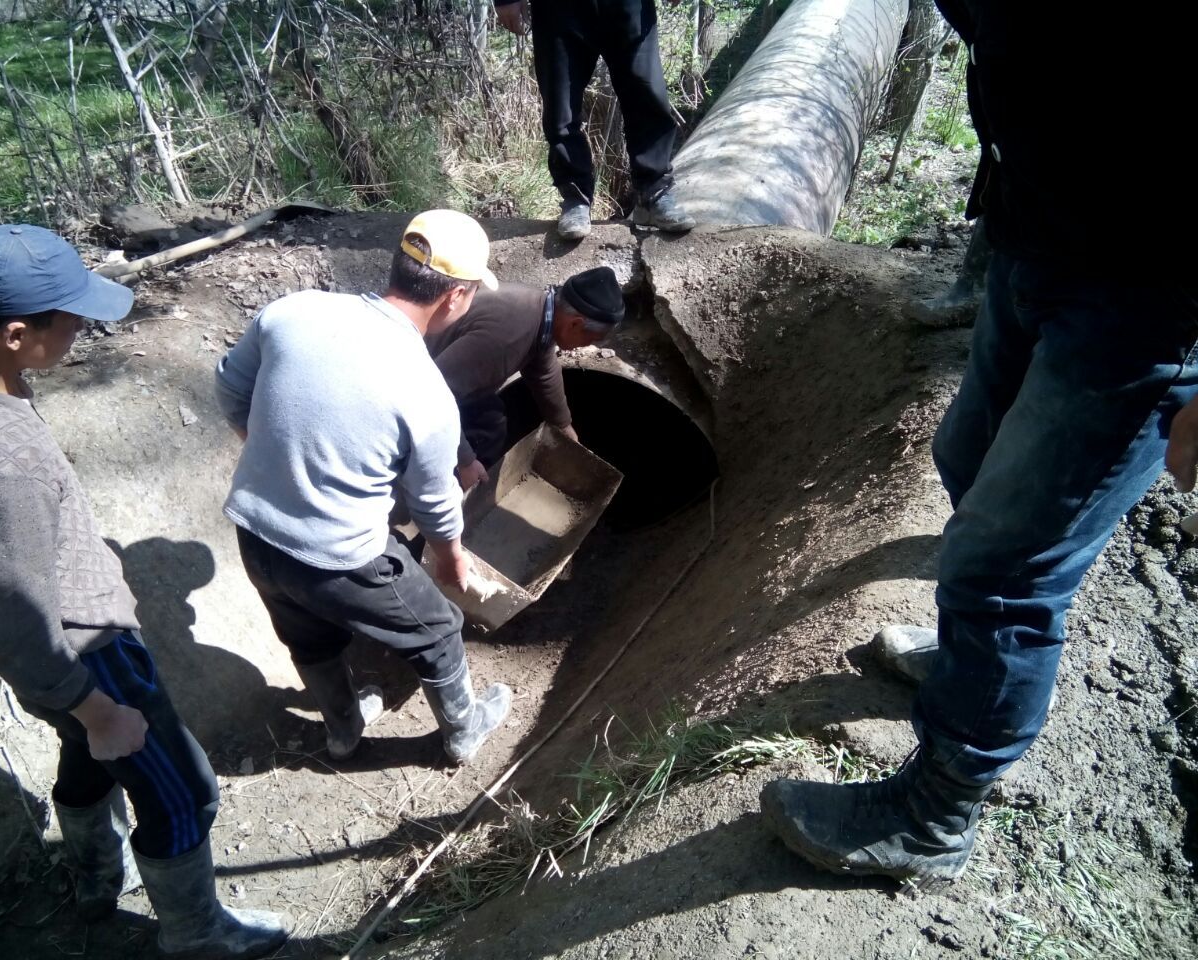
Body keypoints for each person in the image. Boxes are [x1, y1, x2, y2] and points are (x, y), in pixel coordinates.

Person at [761, 4, 1198, 882]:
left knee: (1006, 572)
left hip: (1144, 305)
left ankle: (934, 813)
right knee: (965, 458)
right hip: (1036, 238)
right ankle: (964, 658)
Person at [0, 225, 288, 958]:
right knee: (183, 792)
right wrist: (99, 707)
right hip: (87, 649)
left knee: (88, 754)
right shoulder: (7, 475)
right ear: (16, 334)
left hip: (66, 641)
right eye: (71, 322)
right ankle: (196, 934)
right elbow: (19, 637)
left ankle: (95, 873)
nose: (82, 332)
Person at [215, 210, 512, 766]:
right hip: (340, 557)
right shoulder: (425, 390)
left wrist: (279, 458)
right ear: (456, 297)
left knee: (308, 637)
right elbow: (433, 502)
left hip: (254, 532)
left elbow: (231, 387)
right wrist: (451, 563)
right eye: (472, 293)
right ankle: (464, 731)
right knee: (438, 630)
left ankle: (343, 730)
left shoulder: (295, 310)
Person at [495, 0, 695, 240]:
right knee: (561, 106)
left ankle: (654, 192)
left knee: (647, 95)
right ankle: (575, 198)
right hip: (558, 8)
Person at [428, 265, 625, 490]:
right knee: (473, 442)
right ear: (575, 324)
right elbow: (432, 395)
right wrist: (464, 461)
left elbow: (544, 371)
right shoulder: (506, 339)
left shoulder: (540, 310)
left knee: (492, 422)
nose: (587, 345)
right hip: (414, 392)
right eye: (591, 339)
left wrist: (563, 425)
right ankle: (453, 491)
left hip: (450, 378)